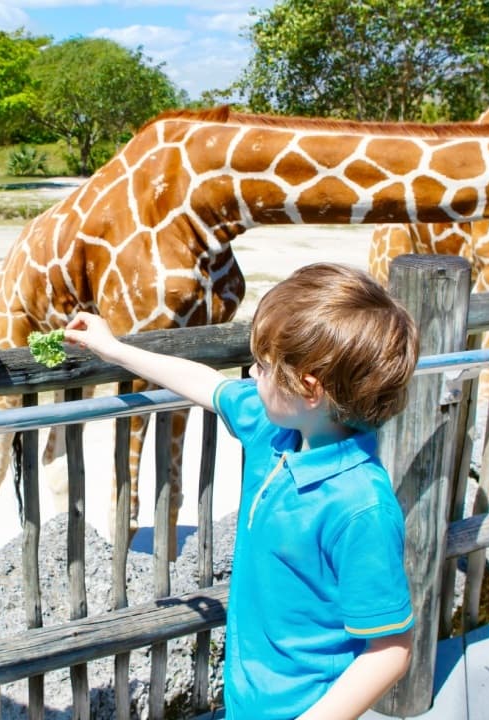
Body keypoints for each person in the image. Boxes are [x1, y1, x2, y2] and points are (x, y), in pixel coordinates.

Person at [64, 262, 418, 719]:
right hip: (246, 701)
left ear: (308, 388)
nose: (252, 373)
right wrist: (113, 349)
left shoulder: (360, 507)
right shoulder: (277, 431)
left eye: (266, 368)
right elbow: (207, 384)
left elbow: (392, 647)